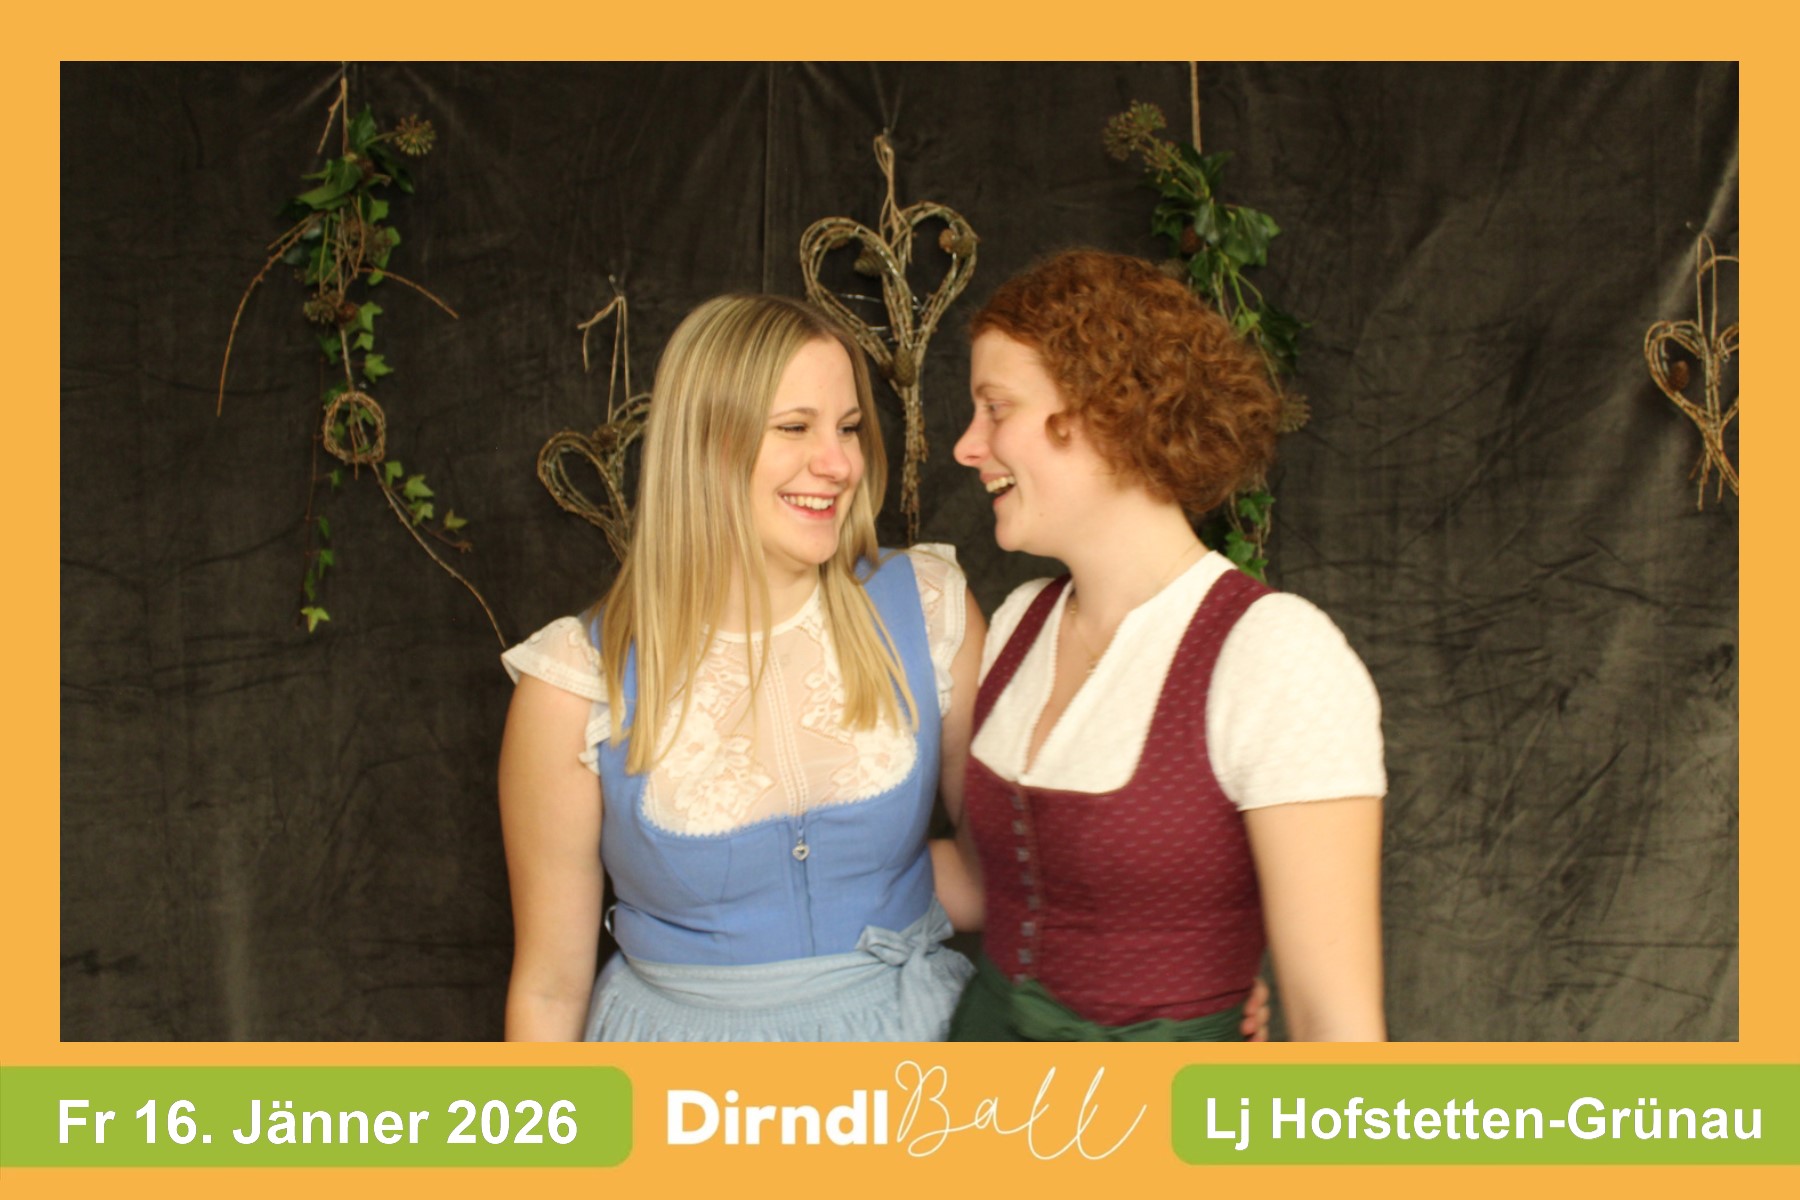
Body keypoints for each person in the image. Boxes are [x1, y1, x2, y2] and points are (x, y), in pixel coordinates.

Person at [497, 293, 985, 1041]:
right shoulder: (575, 678)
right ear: (703, 444)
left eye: (848, 427)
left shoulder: (928, 606)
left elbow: (1000, 881)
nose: (838, 464)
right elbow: (548, 990)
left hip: (912, 1054)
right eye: (794, 427)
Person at [943, 249, 1387, 1042]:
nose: (968, 446)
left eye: (996, 408)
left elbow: (1337, 1028)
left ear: (1105, 410)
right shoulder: (1019, 622)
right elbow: (984, 885)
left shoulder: (1274, 655)